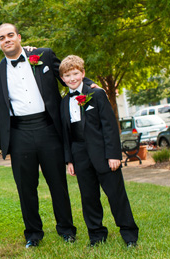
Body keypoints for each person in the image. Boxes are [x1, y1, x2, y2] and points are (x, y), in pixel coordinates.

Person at [0, 23, 77, 248]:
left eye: (10, 35)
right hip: (19, 133)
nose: (7, 40)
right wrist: (3, 141)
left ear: (19, 37)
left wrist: (91, 86)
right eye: (2, 38)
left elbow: (68, 75)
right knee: (25, 187)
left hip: (48, 128)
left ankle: (66, 229)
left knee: (57, 183)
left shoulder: (43, 56)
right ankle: (33, 234)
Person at [59, 54, 139, 248]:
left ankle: (129, 234)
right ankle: (96, 235)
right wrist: (69, 160)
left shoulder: (97, 94)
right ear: (62, 78)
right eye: (68, 75)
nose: (72, 78)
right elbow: (65, 134)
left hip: (103, 153)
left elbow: (110, 127)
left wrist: (113, 155)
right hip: (79, 154)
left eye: (76, 73)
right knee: (89, 197)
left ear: (83, 73)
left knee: (116, 195)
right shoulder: (63, 102)